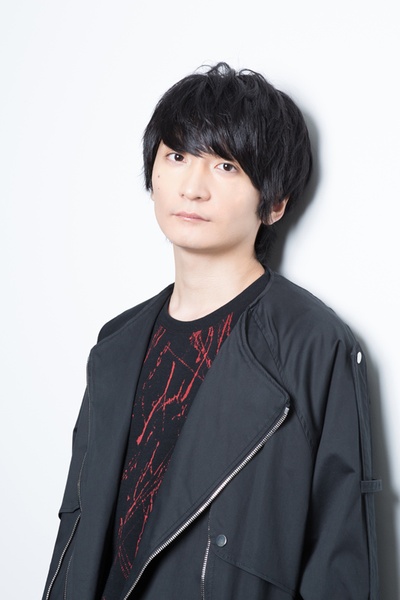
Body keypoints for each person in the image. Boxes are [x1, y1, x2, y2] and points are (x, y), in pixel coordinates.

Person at [42, 63, 381, 600]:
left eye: (226, 166)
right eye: (177, 156)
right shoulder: (115, 345)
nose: (192, 188)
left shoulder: (312, 345)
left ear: (274, 203)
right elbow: (75, 541)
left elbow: (339, 557)